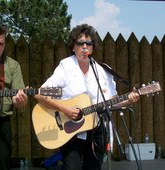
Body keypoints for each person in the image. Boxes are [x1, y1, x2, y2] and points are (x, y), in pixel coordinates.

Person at [34, 24, 139, 170]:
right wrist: (66, 109)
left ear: (93, 47)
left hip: (98, 130)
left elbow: (111, 103)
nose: (84, 47)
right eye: (80, 43)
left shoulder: (103, 70)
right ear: (73, 47)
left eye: (88, 43)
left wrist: (129, 100)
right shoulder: (66, 66)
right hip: (71, 130)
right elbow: (40, 93)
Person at [0, 23, 28, 170]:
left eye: (0, 44)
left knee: (2, 164)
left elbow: (17, 100)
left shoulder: (12, 66)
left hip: (1, 123)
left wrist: (20, 101)